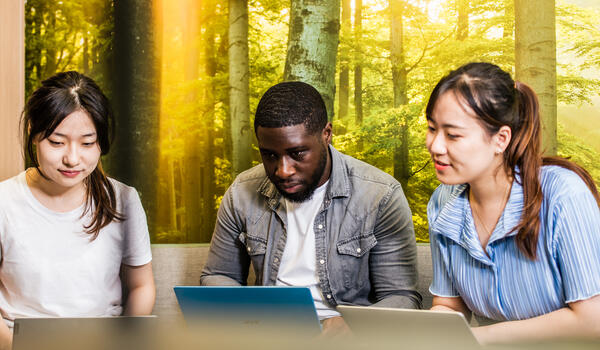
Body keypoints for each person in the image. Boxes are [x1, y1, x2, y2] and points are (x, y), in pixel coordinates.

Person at [201, 81, 421, 334]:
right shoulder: (241, 192)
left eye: (297, 153)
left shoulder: (380, 195)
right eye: (270, 155)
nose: (283, 170)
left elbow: (403, 297)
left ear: (326, 134)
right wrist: (250, 316)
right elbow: (217, 275)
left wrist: (353, 325)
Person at [426, 62, 600, 344]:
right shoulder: (442, 203)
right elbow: (449, 305)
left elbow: (593, 320)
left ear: (501, 139)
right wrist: (419, 332)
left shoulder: (563, 195)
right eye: (432, 129)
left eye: (453, 135)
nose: (435, 145)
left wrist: (477, 338)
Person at [0, 71, 155, 349]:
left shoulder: (123, 200)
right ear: (33, 135)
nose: (72, 159)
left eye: (87, 143)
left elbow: (141, 286)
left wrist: (126, 342)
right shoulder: (5, 202)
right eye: (57, 142)